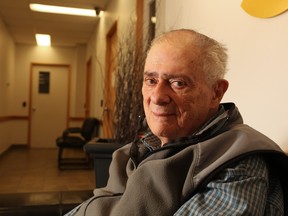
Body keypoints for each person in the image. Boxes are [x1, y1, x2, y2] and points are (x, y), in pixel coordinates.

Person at [66, 29, 288, 216]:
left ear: (216, 92)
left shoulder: (238, 160)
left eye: (178, 83)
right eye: (151, 80)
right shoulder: (139, 149)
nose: (157, 96)